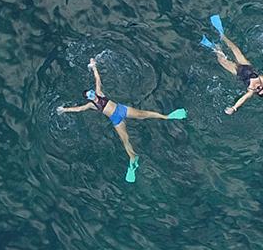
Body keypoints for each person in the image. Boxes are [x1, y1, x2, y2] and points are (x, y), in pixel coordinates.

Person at [57, 57, 186, 182]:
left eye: (91, 92)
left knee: (143, 114)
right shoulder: (91, 105)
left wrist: (93, 66)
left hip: (122, 109)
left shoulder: (99, 93)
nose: (92, 94)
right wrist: (64, 109)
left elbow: (98, 79)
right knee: (125, 139)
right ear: (89, 99)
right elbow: (79, 109)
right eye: (90, 95)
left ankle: (167, 116)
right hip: (115, 119)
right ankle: (133, 159)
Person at [203, 16, 263, 114]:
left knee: (221, 60)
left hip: (237, 72)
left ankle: (215, 45)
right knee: (235, 49)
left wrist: (233, 108)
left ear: (256, 92)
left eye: (258, 90)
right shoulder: (262, 79)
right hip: (246, 66)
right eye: (261, 87)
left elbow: (242, 99)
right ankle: (222, 35)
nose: (258, 87)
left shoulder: (251, 91)